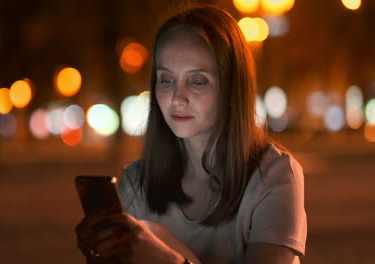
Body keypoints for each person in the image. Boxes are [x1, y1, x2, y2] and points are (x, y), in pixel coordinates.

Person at [75, 5, 307, 264]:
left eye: (197, 81)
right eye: (166, 80)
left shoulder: (273, 175)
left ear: (231, 87)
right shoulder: (135, 185)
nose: (177, 98)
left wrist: (168, 258)